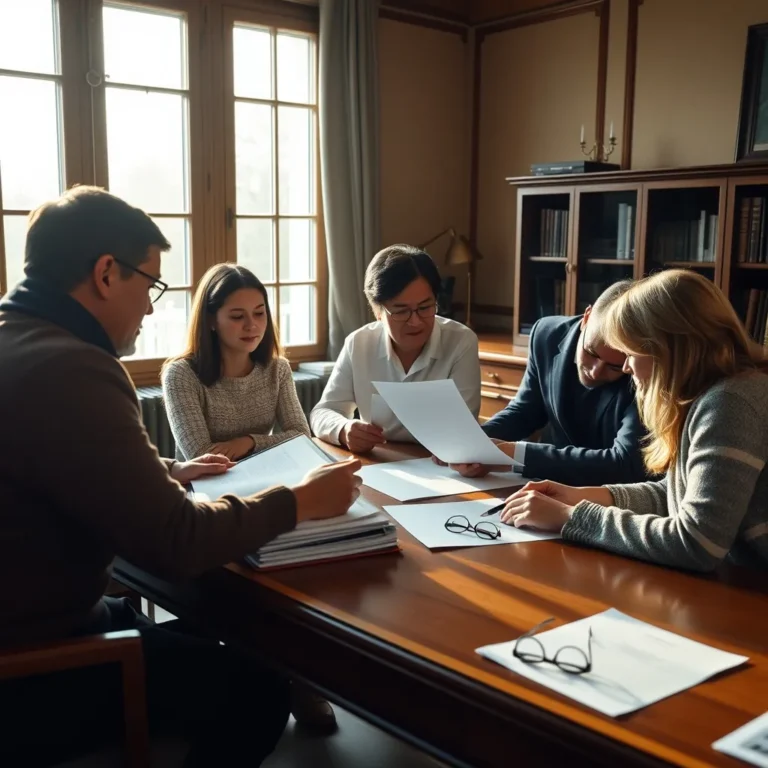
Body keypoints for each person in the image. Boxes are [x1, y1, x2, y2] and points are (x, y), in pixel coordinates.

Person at [0, 186, 361, 766]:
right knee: (258, 689)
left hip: (41, 621)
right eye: (150, 284)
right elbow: (178, 542)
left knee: (233, 640)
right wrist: (298, 501)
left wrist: (167, 467)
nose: (150, 306)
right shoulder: (73, 366)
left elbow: (53, 461)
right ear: (105, 274)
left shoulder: (18, 342)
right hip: (38, 663)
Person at [162, 262, 337, 733]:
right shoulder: (182, 374)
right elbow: (200, 455)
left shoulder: (276, 368)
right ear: (212, 319)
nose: (252, 325)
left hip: (275, 484)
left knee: (307, 567)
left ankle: (300, 676)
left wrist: (250, 443)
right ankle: (270, 676)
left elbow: (301, 436)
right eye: (237, 315)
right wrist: (256, 443)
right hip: (213, 496)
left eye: (259, 313)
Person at [497, 269, 768, 572]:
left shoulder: (730, 402)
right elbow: (674, 495)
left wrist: (570, 517)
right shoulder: (710, 394)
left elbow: (697, 543)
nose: (625, 366)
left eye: (630, 352)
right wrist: (580, 496)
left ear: (666, 350)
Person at [448, 280, 647, 486]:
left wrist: (514, 455)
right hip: (544, 484)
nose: (596, 371)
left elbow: (624, 464)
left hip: (611, 495)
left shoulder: (645, 370)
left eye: (615, 366)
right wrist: (473, 442)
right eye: (591, 353)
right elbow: (525, 412)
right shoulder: (547, 334)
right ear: (586, 318)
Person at [310, 244, 480, 453]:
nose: (415, 321)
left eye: (425, 307)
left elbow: (464, 428)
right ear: (378, 311)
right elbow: (323, 411)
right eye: (401, 311)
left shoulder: (461, 342)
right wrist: (344, 429)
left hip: (440, 463)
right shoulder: (359, 343)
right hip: (377, 462)